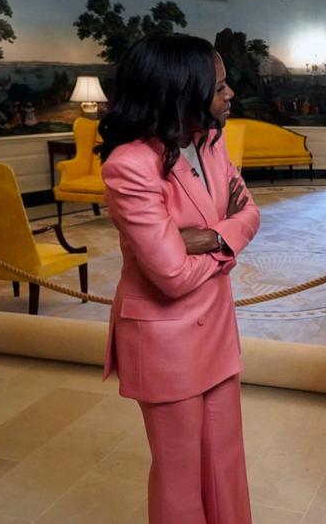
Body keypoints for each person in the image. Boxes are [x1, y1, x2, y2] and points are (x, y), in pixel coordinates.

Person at [99, 33, 259, 524]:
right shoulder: (129, 165)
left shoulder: (212, 140)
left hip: (216, 330)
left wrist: (205, 237)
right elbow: (169, 274)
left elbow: (249, 214)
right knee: (179, 475)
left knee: (227, 461)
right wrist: (219, 238)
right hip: (164, 343)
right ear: (179, 93)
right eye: (219, 87)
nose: (229, 94)